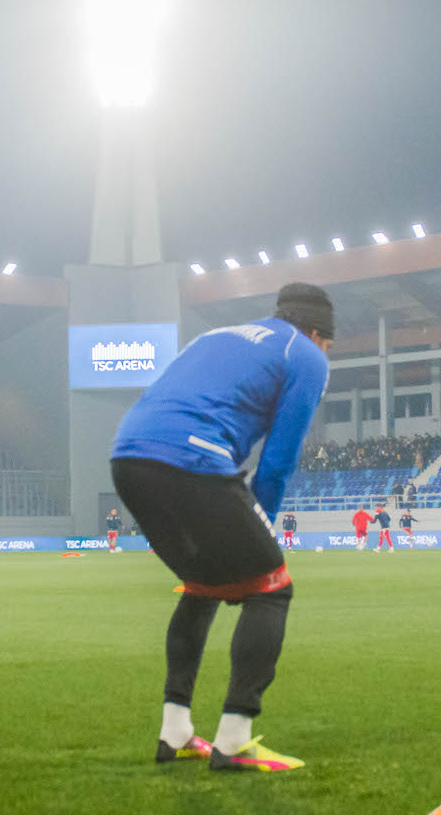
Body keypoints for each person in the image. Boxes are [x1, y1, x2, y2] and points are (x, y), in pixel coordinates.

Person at [111, 281, 331, 773]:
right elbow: (278, 459)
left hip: (127, 456)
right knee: (271, 587)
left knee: (203, 587)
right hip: (194, 456)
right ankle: (234, 740)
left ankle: (176, 731)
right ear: (318, 332)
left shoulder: (213, 336)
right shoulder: (307, 354)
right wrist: (261, 532)